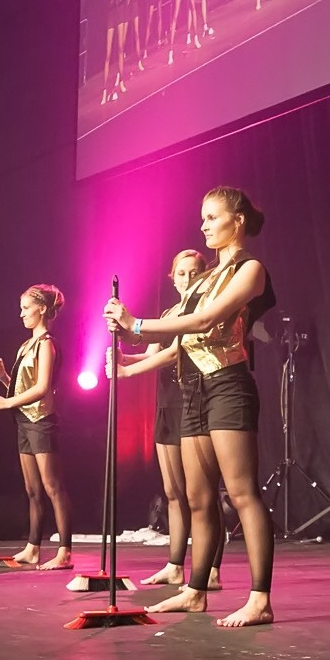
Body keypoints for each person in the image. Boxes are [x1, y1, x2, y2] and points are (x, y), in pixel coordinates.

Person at [104, 187, 277, 627]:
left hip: (229, 385)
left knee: (241, 493)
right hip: (192, 389)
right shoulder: (201, 280)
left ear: (238, 220)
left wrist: (136, 325)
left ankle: (260, 599)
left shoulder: (250, 270)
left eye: (212, 217)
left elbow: (205, 321)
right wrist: (129, 354)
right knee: (198, 499)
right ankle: (195, 591)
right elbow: (178, 342)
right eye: (202, 217)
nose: (203, 226)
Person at [110, 249, 224, 590]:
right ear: (172, 278)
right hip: (166, 402)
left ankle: (211, 568)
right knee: (173, 491)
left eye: (194, 272)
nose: (187, 279)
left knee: (201, 493)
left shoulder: (202, 309)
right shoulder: (169, 313)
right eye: (181, 273)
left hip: (193, 398)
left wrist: (128, 372)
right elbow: (152, 353)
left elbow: (177, 352)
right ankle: (175, 565)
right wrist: (124, 357)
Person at [0, 285, 73, 571]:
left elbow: (41, 388)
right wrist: (4, 376)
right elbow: (20, 386)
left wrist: (7, 403)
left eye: (26, 308)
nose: (21, 314)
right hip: (24, 421)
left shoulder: (46, 343)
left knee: (52, 486)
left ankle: (64, 551)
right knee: (32, 488)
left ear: (42, 309)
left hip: (41, 420)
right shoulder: (26, 345)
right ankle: (33, 547)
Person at [101, 0, 128, 105]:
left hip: (121, 9)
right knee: (108, 53)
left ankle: (121, 81)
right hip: (111, 11)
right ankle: (104, 91)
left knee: (120, 48)